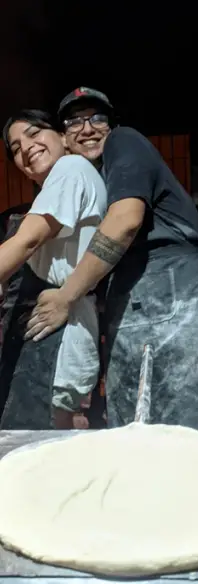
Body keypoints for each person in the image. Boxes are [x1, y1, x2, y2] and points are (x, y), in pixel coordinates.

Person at [26, 87, 198, 431]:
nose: (88, 128)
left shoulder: (123, 142)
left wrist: (67, 295)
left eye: (97, 117)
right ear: (64, 137)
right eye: (75, 121)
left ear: (112, 124)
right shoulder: (95, 177)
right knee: (141, 426)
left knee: (190, 427)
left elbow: (125, 221)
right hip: (145, 293)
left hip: (167, 286)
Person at [0, 109, 107, 429]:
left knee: (38, 439)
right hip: (53, 326)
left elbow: (28, 240)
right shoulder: (60, 184)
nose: (26, 146)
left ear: (63, 138)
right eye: (16, 147)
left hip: (54, 330)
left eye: (34, 133)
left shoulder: (70, 168)